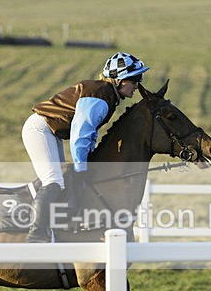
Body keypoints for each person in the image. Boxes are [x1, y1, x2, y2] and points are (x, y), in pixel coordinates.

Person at [21, 52, 149, 242]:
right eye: (134, 80)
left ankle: (56, 228)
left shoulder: (108, 95)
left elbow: (89, 135)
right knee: (53, 182)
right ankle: (36, 234)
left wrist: (86, 162)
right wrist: (82, 168)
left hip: (50, 131)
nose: (137, 85)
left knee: (62, 182)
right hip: (40, 130)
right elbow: (80, 136)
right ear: (119, 80)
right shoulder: (102, 95)